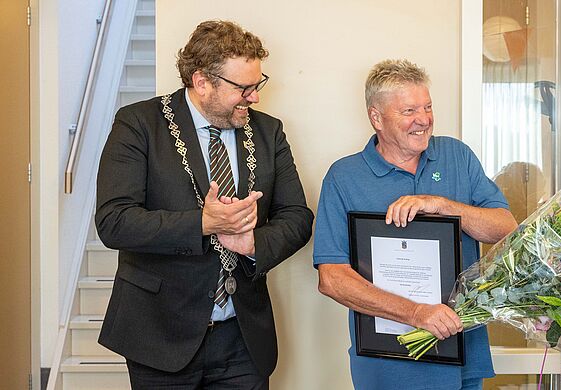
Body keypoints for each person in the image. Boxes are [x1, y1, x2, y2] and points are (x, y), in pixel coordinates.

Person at [95, 20, 313, 389]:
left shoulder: (268, 131)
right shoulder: (138, 124)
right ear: (202, 82)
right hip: (160, 335)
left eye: (257, 84)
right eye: (243, 88)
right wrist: (202, 223)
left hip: (244, 339)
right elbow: (114, 221)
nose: (255, 97)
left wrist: (253, 244)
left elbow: (297, 217)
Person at [313, 59, 517, 390]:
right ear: (376, 117)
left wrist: (442, 205)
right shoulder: (344, 177)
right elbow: (332, 279)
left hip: (463, 355)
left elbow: (506, 228)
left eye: (428, 107)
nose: (424, 120)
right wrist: (415, 313)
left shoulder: (456, 156)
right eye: (409, 111)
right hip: (388, 365)